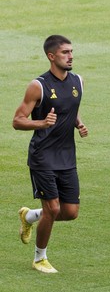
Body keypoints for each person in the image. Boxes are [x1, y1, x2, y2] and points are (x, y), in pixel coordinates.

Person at [13, 35, 88, 273]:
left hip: (67, 155)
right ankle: (39, 258)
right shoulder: (38, 86)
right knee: (53, 209)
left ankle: (30, 216)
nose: (71, 56)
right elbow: (17, 121)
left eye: (71, 51)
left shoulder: (78, 81)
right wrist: (42, 123)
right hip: (42, 156)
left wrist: (78, 123)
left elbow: (69, 108)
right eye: (65, 52)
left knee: (70, 212)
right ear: (51, 56)